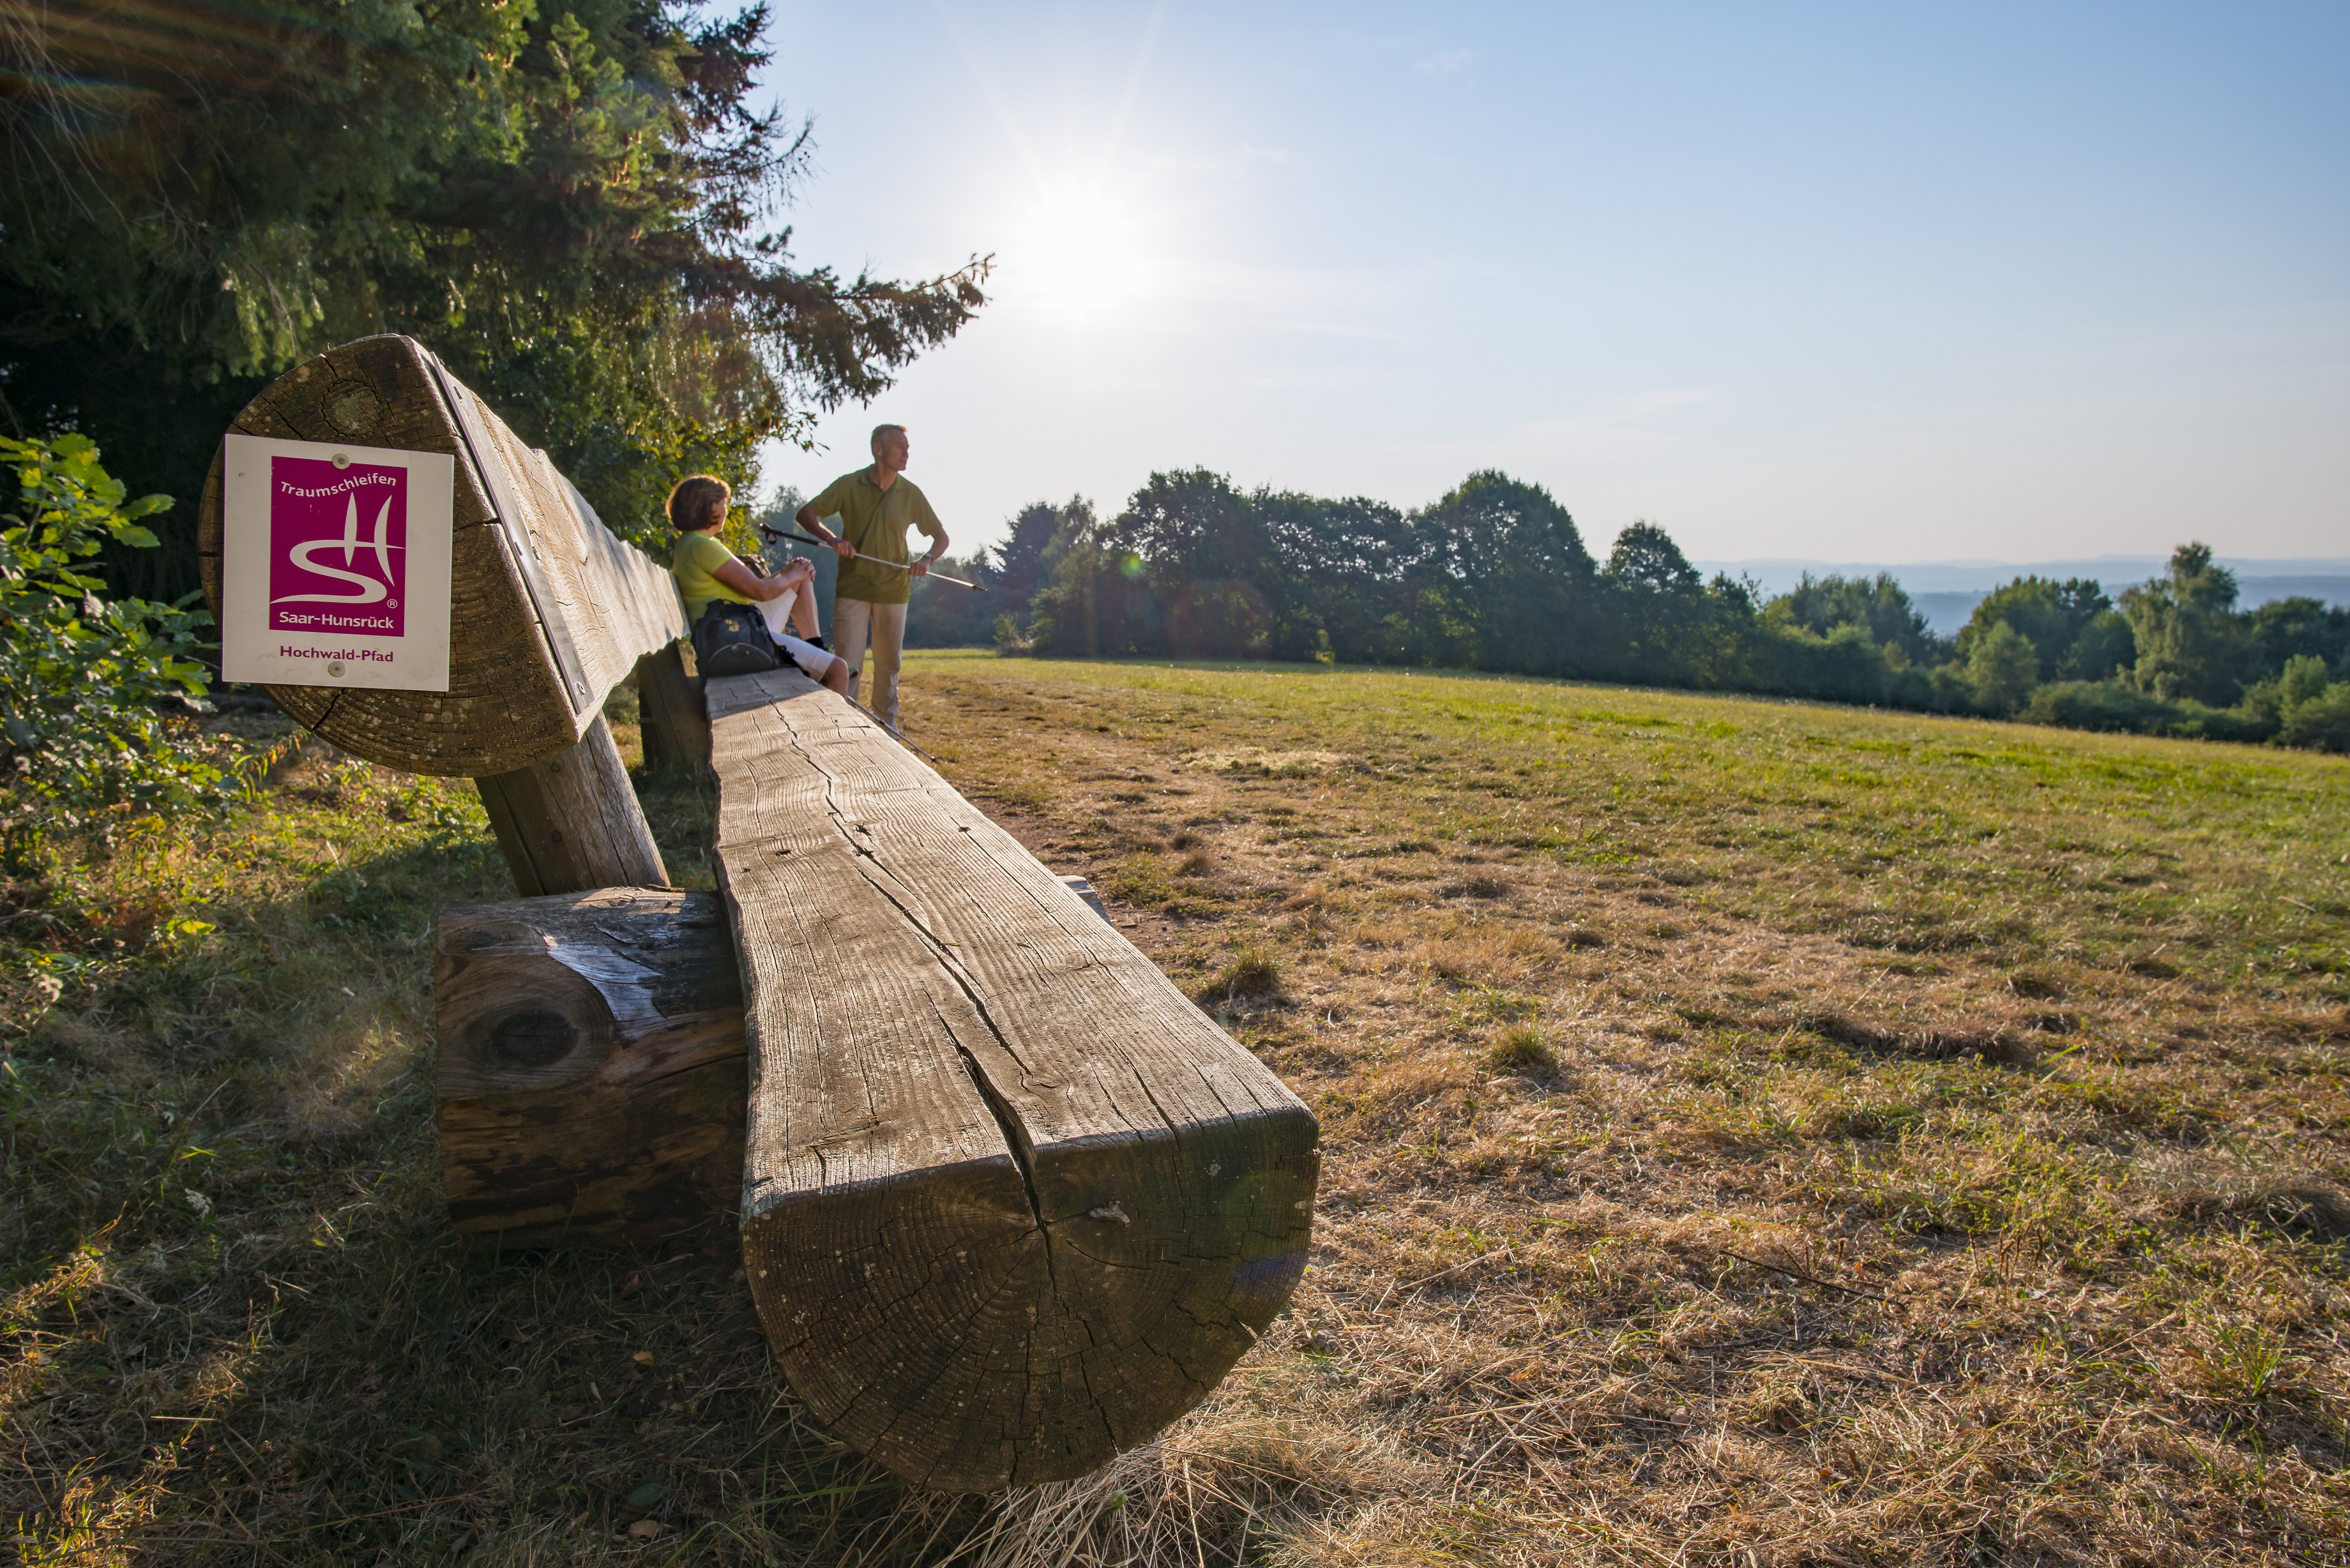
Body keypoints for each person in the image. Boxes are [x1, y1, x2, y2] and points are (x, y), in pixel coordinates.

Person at [796, 423, 948, 732]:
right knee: (847, 668)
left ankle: (887, 736)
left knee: (888, 669)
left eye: (908, 447)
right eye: (900, 447)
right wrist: (833, 539)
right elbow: (806, 514)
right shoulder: (849, 485)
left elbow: (941, 538)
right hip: (853, 589)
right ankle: (844, 733)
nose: (907, 453)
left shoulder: (911, 493)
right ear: (879, 450)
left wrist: (927, 559)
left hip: (894, 591)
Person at [666, 474, 851, 695]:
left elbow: (752, 588)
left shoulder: (695, 543)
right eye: (723, 503)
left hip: (738, 626)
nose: (726, 510)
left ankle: (817, 651)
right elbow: (760, 591)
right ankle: (829, 722)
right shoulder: (702, 547)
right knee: (839, 670)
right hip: (736, 637)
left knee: (800, 576)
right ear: (708, 507)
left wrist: (789, 573)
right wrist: (792, 575)